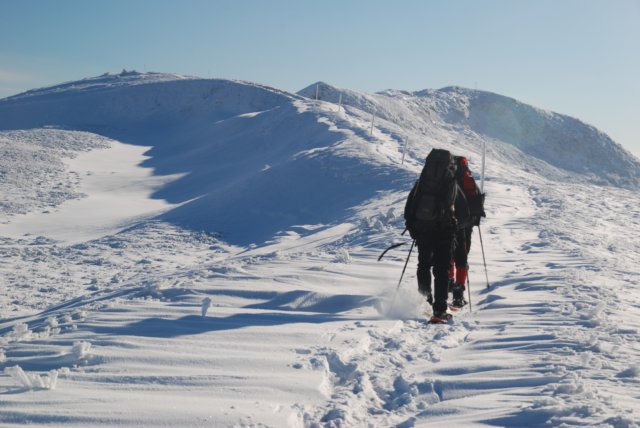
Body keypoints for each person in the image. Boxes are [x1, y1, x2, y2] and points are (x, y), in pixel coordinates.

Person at [404, 149, 458, 321]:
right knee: (441, 269)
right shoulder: (450, 180)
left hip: (423, 229)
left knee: (424, 264)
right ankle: (439, 309)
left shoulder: (423, 180)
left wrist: (413, 226)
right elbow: (452, 205)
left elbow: (410, 204)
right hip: (443, 230)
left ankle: (424, 300)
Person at [449, 156, 485, 308]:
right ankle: (458, 294)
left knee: (448, 254)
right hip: (465, 226)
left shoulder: (447, 179)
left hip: (445, 224)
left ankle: (448, 282)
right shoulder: (468, 180)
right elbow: (477, 204)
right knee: (462, 259)